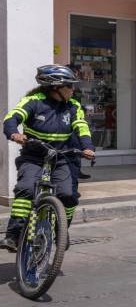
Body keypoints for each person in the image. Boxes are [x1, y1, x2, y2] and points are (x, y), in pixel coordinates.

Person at [0, 65, 96, 252]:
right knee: (26, 189)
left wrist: (88, 147)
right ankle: (13, 235)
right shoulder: (33, 101)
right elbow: (12, 118)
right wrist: (14, 134)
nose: (73, 89)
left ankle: (61, 230)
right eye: (69, 85)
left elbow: (81, 127)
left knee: (68, 195)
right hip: (34, 156)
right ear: (55, 87)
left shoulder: (73, 106)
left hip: (62, 157)